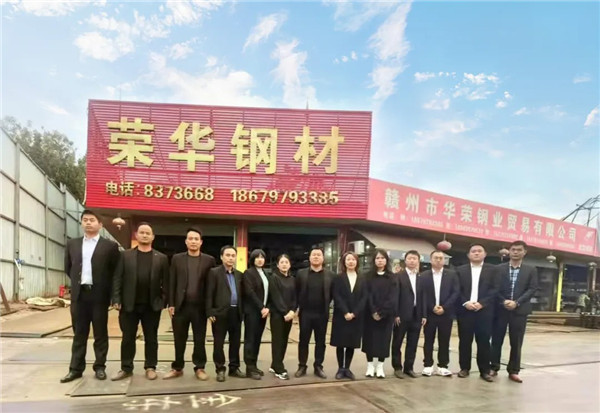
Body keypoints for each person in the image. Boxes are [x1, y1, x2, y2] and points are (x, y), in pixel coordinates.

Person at [60, 210, 120, 383]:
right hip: (79, 296)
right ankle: (75, 369)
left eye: (92, 220)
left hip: (99, 295)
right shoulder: (73, 244)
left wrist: (113, 296)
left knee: (100, 333)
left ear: (100, 224)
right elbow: (68, 268)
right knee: (79, 333)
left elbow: (115, 272)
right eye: (85, 220)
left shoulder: (110, 246)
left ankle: (100, 367)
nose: (88, 223)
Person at [111, 222, 169, 381]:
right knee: (128, 338)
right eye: (142, 232)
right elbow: (117, 278)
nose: (144, 235)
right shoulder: (125, 256)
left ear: (153, 237)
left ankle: (150, 367)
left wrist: (163, 301)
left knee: (151, 338)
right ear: (136, 235)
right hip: (129, 304)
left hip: (152, 305)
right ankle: (126, 368)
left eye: (147, 233)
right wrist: (116, 298)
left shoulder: (161, 258)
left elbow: (166, 282)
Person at [163, 227, 216, 381]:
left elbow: (212, 285)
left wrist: (211, 307)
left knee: (199, 339)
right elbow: (172, 281)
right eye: (190, 239)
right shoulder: (177, 259)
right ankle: (177, 367)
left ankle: (199, 367)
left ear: (201, 242)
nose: (193, 241)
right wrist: (171, 303)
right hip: (181, 306)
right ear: (186, 241)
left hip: (200, 308)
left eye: (196, 239)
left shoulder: (209, 260)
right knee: (179, 339)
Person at [491, 241, 539, 383]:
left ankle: (514, 371)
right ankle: (493, 367)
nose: (516, 252)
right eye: (513, 249)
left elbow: (532, 289)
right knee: (496, 340)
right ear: (509, 251)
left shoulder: (531, 270)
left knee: (516, 342)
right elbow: (494, 288)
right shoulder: (499, 269)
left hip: (519, 310)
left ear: (524, 252)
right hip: (501, 310)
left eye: (519, 250)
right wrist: (503, 301)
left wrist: (517, 302)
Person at [456, 243, 499, 382]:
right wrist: (465, 302)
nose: (476, 253)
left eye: (479, 251)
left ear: (485, 254)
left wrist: (482, 303)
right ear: (468, 255)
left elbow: (495, 289)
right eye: (473, 251)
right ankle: (464, 368)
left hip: (484, 312)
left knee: (484, 342)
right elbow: (457, 290)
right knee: (464, 341)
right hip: (465, 311)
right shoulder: (460, 270)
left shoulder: (493, 270)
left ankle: (484, 371)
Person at [294, 248, 335, 379]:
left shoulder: (330, 275)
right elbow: (296, 292)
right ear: (310, 258)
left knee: (320, 342)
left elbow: (333, 293)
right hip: (305, 313)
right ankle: (302, 366)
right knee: (303, 341)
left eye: (319, 255)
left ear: (323, 258)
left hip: (322, 314)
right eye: (314, 255)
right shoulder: (301, 274)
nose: (316, 257)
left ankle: (318, 366)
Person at [206, 245, 244, 382]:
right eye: (227, 255)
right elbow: (209, 293)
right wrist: (209, 311)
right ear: (222, 257)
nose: (230, 258)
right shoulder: (214, 273)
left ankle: (234, 368)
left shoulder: (239, 274)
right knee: (218, 343)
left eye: (233, 255)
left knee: (235, 343)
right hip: (220, 313)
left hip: (236, 313)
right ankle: (220, 369)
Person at [420, 250, 459, 377]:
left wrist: (444, 307)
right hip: (430, 313)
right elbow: (423, 295)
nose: (438, 260)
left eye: (441, 258)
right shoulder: (423, 276)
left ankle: (443, 365)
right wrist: (432, 307)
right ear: (430, 260)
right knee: (428, 340)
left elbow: (455, 292)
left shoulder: (452, 274)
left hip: (446, 313)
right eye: (435, 258)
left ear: (444, 260)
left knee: (444, 340)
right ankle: (428, 365)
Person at [362, 248, 398, 379]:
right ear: (374, 260)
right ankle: (370, 365)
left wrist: (382, 312)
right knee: (369, 340)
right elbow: (367, 295)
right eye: (377, 258)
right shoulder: (367, 276)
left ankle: (380, 366)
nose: (380, 260)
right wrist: (373, 311)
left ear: (386, 260)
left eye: (382, 258)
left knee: (384, 340)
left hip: (386, 315)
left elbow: (393, 297)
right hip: (369, 314)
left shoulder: (392, 277)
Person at [330, 252, 367, 380]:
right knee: (340, 343)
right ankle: (340, 368)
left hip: (356, 316)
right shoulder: (338, 278)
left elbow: (364, 297)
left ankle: (347, 368)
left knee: (351, 343)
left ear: (357, 262)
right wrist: (345, 312)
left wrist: (355, 313)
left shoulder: (362, 278)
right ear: (344, 262)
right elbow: (336, 295)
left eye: (353, 259)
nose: (351, 262)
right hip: (341, 315)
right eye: (348, 259)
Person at [391, 250, 427, 379]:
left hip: (417, 315)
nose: (412, 261)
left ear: (418, 261)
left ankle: (409, 368)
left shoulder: (420, 277)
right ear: (405, 260)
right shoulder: (398, 276)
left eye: (414, 259)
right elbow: (395, 296)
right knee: (397, 342)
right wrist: (396, 314)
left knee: (413, 343)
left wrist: (424, 315)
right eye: (410, 258)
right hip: (401, 315)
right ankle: (397, 367)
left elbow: (423, 297)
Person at [242, 249, 270, 380]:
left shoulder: (265, 273)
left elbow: (269, 292)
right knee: (250, 340)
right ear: (252, 259)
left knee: (257, 340)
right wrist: (261, 307)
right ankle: (249, 368)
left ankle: (254, 365)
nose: (260, 259)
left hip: (263, 313)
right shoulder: (248, 273)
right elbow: (250, 292)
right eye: (257, 257)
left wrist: (267, 308)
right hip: (252, 312)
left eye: (262, 257)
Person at [268, 254, 297, 380]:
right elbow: (275, 297)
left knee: (284, 340)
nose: (284, 264)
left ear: (289, 265)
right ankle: (279, 369)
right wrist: (285, 312)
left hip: (289, 315)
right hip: (277, 315)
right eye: (282, 262)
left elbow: (295, 297)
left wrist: (292, 311)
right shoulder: (274, 278)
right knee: (277, 341)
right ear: (278, 265)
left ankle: (275, 364)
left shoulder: (292, 279)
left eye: (286, 262)